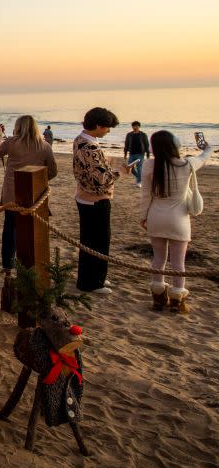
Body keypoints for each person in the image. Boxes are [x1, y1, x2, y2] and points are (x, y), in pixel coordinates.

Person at [139, 131, 211, 314]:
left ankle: (158, 299)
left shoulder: (149, 165)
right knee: (178, 263)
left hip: (156, 216)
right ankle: (177, 302)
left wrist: (143, 216)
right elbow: (204, 156)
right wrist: (205, 146)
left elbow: (146, 195)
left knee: (158, 260)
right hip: (178, 218)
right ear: (175, 145)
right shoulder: (187, 164)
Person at [0, 115, 58, 274]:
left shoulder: (12, 142)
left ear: (19, 127)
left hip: (12, 193)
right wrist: (38, 182)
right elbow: (53, 171)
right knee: (31, 229)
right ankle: (29, 264)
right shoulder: (45, 146)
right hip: (34, 194)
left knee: (10, 229)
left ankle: (8, 265)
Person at [72, 107, 127, 294]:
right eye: (107, 127)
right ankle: (93, 282)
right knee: (99, 241)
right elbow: (101, 178)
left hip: (85, 196)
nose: (108, 131)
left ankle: (94, 277)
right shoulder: (90, 146)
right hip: (95, 198)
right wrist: (121, 172)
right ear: (97, 125)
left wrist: (105, 165)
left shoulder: (80, 139)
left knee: (90, 240)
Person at [124, 121, 151, 188]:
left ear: (139, 126)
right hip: (132, 154)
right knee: (130, 168)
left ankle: (139, 182)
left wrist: (148, 154)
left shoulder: (143, 134)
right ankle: (140, 178)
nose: (135, 127)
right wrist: (125, 153)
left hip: (140, 154)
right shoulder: (129, 135)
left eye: (136, 126)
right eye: (133, 126)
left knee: (139, 168)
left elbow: (146, 144)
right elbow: (126, 144)